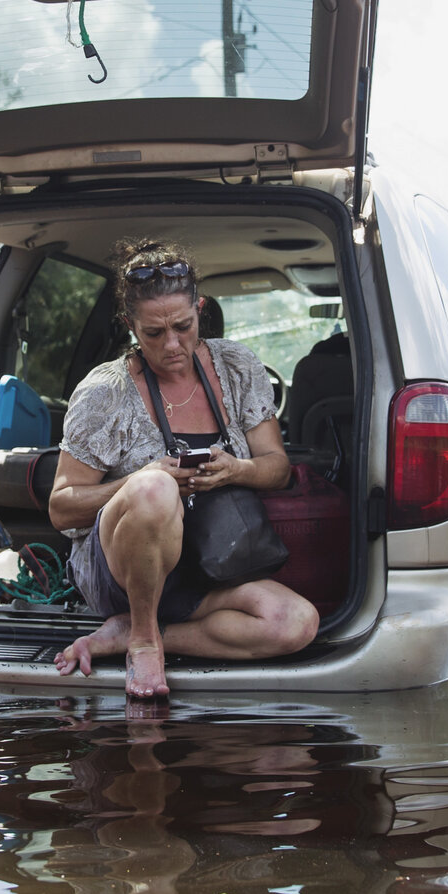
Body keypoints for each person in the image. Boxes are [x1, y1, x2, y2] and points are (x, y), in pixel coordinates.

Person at [47, 240, 318, 698]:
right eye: (153, 333)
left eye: (183, 326)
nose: (172, 345)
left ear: (200, 310)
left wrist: (234, 471)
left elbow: (278, 469)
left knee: (295, 623)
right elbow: (61, 508)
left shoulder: (236, 367)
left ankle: (128, 634)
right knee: (153, 490)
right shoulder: (105, 392)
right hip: (120, 572)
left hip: (208, 565)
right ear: (129, 326)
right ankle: (144, 639)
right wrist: (140, 480)